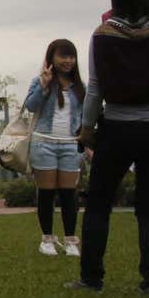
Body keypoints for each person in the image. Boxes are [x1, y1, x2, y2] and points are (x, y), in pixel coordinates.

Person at [71, 0, 149, 297]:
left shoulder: (103, 34)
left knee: (98, 204)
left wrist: (87, 130)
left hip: (118, 128)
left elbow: (94, 90)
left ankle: (91, 279)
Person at [24, 39, 86, 257]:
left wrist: (87, 143)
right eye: (63, 56)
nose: (68, 61)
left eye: (72, 56)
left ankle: (70, 241)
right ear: (52, 58)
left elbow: (86, 117)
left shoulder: (80, 86)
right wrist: (43, 85)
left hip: (70, 145)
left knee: (69, 194)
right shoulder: (40, 81)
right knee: (47, 194)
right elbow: (30, 106)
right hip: (44, 143)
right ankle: (47, 239)